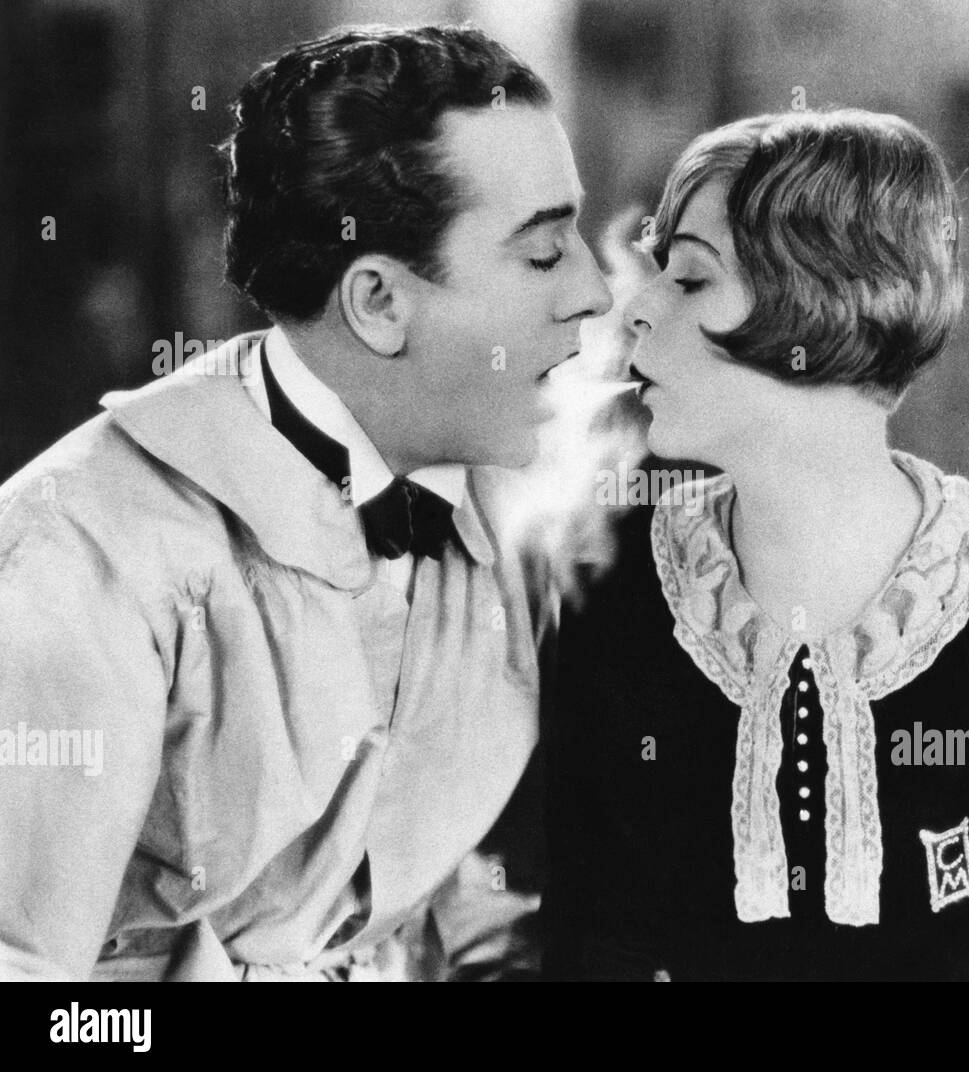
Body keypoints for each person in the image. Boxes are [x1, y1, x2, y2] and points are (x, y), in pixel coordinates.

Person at [541, 110, 969, 981]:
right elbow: (578, 943)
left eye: (689, 279)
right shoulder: (608, 585)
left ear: (821, 305)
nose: (635, 311)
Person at [0, 24, 611, 980]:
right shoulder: (80, 547)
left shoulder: (518, 515)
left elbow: (483, 915)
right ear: (377, 302)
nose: (596, 291)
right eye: (542, 255)